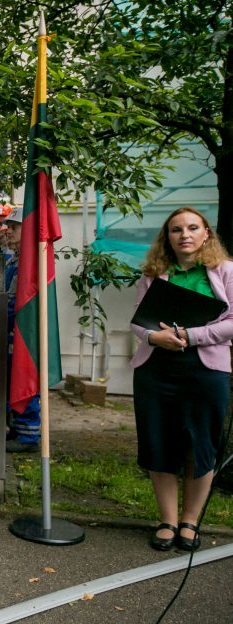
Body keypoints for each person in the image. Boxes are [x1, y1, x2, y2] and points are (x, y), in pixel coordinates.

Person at [130, 207, 233, 551]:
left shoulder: (225, 271)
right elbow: (138, 322)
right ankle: (167, 521)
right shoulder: (153, 274)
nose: (184, 234)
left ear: (206, 234)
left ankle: (190, 520)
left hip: (206, 370)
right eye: (176, 230)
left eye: (192, 228)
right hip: (156, 370)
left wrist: (192, 336)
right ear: (168, 238)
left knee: (201, 444)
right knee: (159, 441)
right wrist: (151, 338)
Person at [2, 207, 41, 453]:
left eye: (14, 227)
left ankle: (28, 436)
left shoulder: (31, 263)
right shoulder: (14, 260)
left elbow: (16, 302)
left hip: (23, 334)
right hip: (10, 332)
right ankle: (17, 429)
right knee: (13, 382)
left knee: (24, 381)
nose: (8, 232)